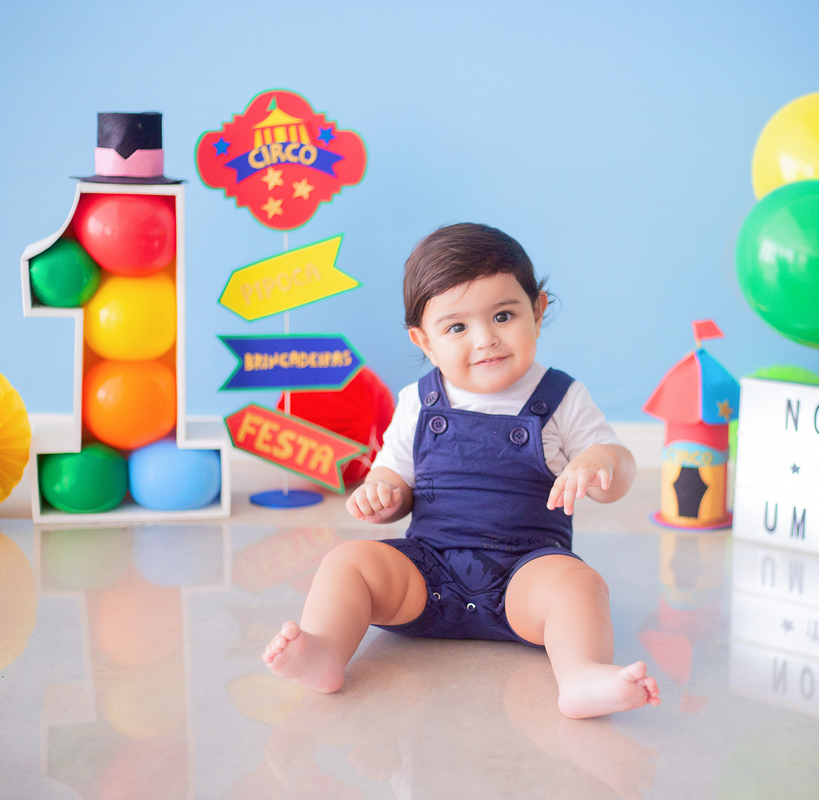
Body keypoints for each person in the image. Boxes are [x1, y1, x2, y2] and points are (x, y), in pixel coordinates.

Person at [264, 223, 659, 719]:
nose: (486, 339)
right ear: (424, 341)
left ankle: (580, 673)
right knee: (348, 561)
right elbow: (393, 477)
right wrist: (382, 494)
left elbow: (617, 467)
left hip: (526, 575)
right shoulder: (417, 402)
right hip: (427, 574)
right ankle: (325, 648)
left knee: (579, 585)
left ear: (538, 310)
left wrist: (599, 463)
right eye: (457, 328)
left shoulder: (561, 398)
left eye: (503, 316)